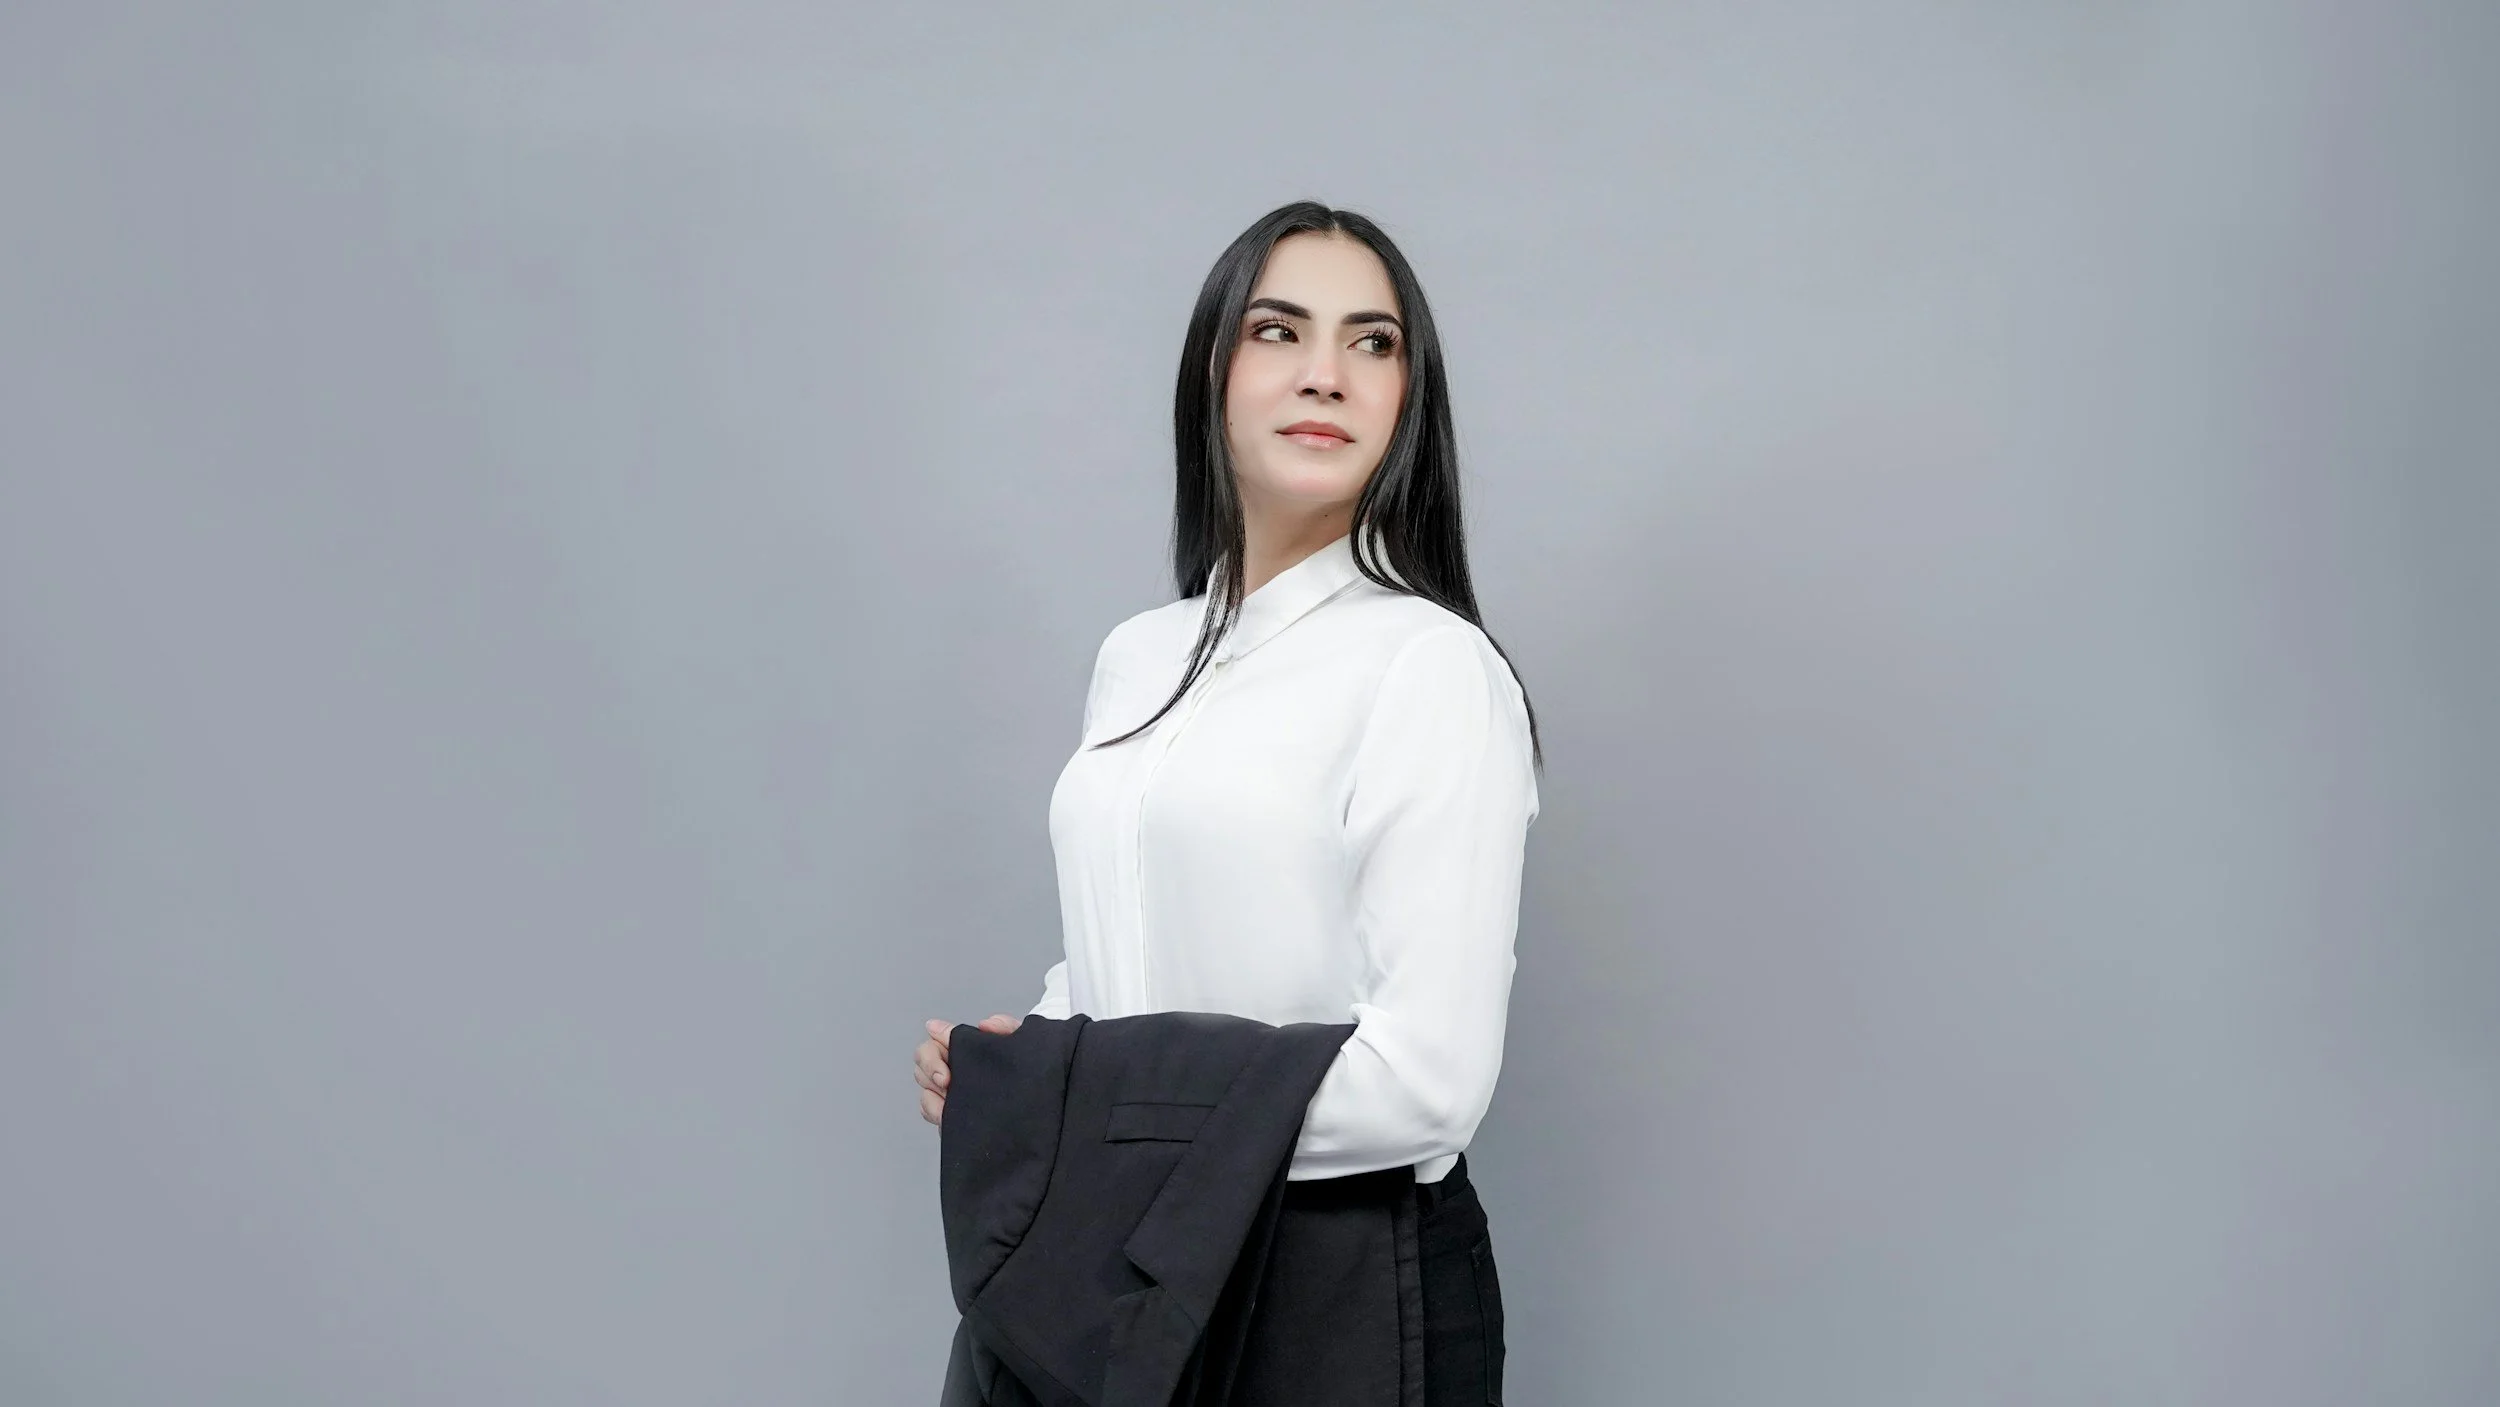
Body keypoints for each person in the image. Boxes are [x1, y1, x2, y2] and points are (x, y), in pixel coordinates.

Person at [912, 199, 1542, 1400]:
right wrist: (1020, 1056)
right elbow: (1132, 948)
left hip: (1329, 1283)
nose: (1326, 374)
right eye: (1278, 330)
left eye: (1372, 342)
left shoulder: (1428, 665)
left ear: (1408, 399)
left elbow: (1425, 1086)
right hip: (1099, 1266)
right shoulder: (1139, 655)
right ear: (1213, 371)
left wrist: (1077, 1112)